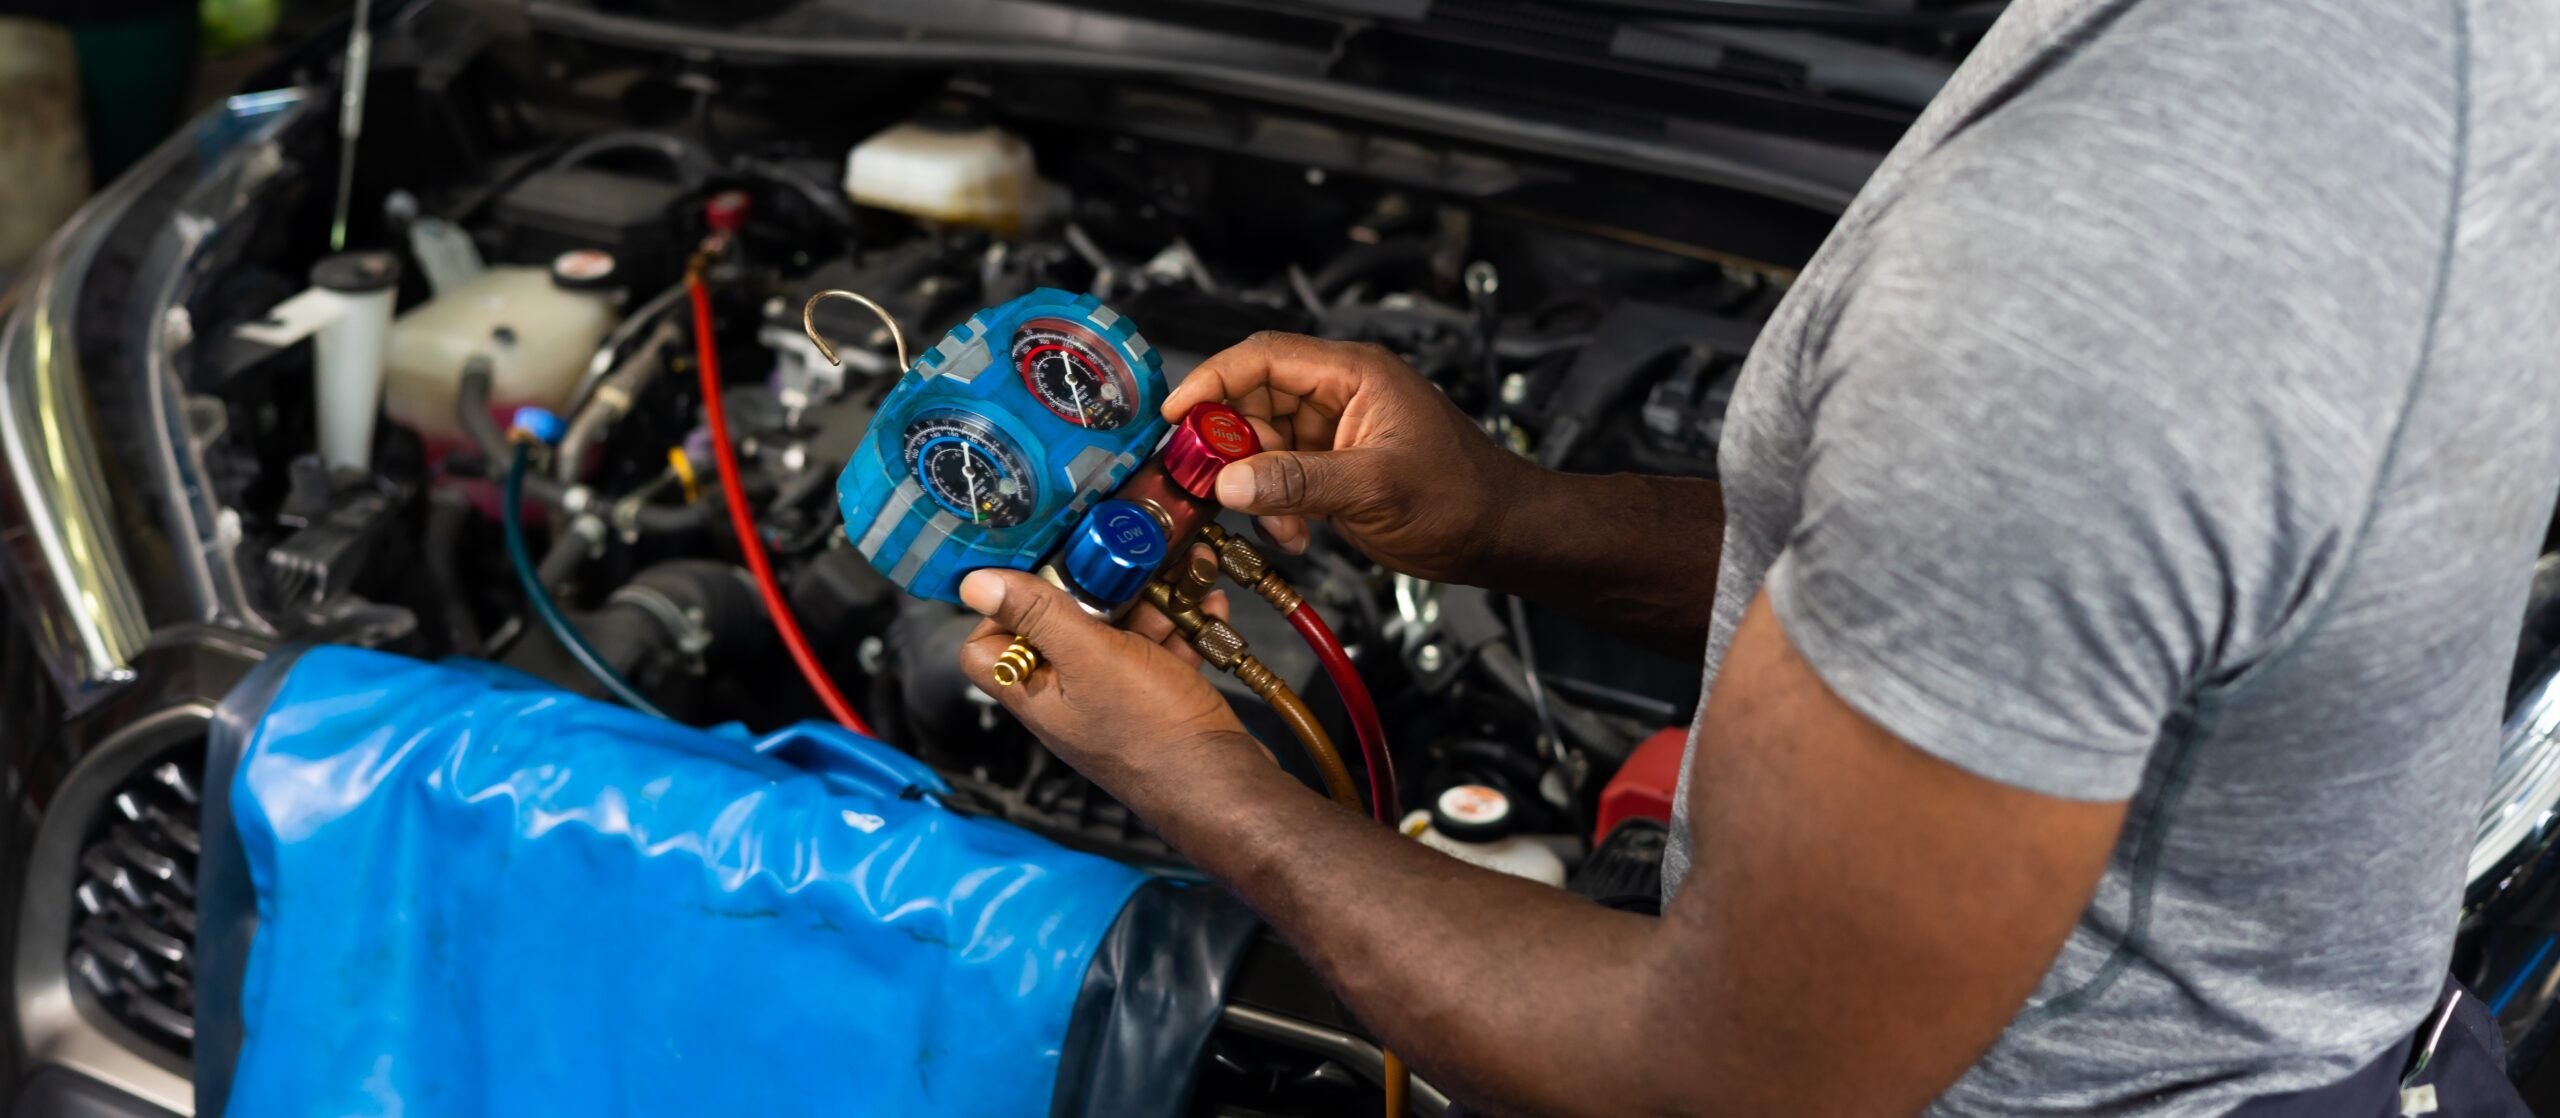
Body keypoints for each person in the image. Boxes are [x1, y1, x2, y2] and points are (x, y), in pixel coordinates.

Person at [953, 0, 2559, 1113]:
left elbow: (1722, 1081)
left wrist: (1205, 785)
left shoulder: (2095, 270)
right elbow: (1952, 594)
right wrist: (1512, 515)